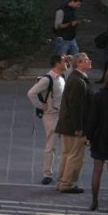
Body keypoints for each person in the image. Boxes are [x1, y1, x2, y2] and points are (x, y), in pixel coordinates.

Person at [54, 52, 94, 193]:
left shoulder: (77, 78)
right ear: (78, 63)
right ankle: (67, 184)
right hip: (73, 126)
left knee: (66, 154)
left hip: (67, 125)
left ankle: (61, 182)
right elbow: (76, 106)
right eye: (86, 60)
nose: (89, 61)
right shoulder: (77, 81)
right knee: (75, 156)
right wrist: (79, 127)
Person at [26, 54, 68, 185]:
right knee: (51, 145)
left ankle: (62, 173)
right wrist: (40, 105)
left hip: (62, 114)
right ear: (57, 63)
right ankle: (47, 174)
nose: (66, 63)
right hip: (51, 115)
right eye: (64, 61)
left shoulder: (61, 77)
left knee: (65, 145)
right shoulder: (47, 79)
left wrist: (69, 58)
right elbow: (31, 93)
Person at [86, 68, 108, 212]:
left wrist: (89, 137)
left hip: (99, 137)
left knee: (96, 171)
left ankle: (94, 202)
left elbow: (92, 119)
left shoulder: (98, 96)